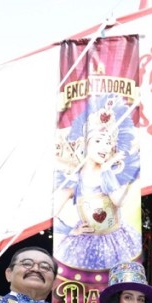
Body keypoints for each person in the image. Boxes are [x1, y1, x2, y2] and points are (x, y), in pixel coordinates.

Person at [54, 95, 142, 271]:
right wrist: (68, 230)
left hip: (117, 240)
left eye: (109, 142)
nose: (104, 147)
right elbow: (50, 211)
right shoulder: (73, 178)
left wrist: (106, 171)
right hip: (85, 244)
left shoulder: (112, 173)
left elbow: (119, 201)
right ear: (84, 144)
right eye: (98, 141)